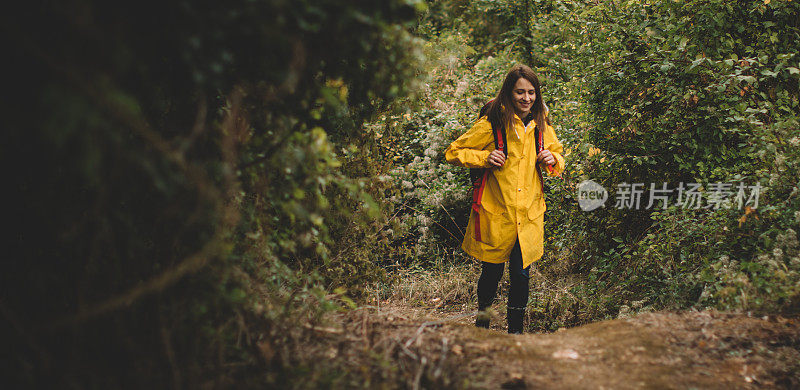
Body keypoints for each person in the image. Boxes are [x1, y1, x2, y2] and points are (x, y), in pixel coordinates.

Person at [444, 65, 565, 334]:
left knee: (522, 276)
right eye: (520, 92)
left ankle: (516, 334)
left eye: (531, 92)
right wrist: (484, 157)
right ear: (508, 93)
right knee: (491, 274)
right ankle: (482, 326)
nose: (526, 98)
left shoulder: (541, 125)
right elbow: (454, 151)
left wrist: (552, 159)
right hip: (497, 212)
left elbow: (559, 157)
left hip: (529, 213)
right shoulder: (492, 124)